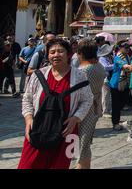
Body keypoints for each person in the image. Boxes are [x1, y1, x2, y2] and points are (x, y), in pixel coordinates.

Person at [18, 39, 93, 169]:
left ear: (69, 54)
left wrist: (75, 119)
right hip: (38, 128)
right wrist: (29, 119)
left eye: (60, 51)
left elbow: (88, 100)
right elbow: (27, 99)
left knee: (61, 165)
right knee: (27, 165)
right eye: (52, 52)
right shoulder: (38, 75)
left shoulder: (80, 76)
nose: (56, 55)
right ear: (48, 55)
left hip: (68, 131)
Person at [75, 39, 106, 169]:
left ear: (80, 53)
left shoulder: (82, 71)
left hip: (82, 110)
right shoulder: (99, 66)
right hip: (95, 107)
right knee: (85, 142)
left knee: (80, 144)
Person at [108, 41, 131, 131]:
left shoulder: (128, 57)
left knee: (123, 102)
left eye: (128, 47)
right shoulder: (117, 57)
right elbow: (125, 66)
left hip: (125, 84)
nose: (127, 49)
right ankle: (115, 123)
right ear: (120, 48)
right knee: (116, 105)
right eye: (125, 47)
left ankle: (115, 115)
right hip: (116, 84)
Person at [98, 44, 114, 117]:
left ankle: (107, 109)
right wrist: (114, 65)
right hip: (104, 78)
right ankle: (105, 111)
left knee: (107, 95)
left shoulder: (109, 57)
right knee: (105, 95)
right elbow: (105, 67)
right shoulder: (102, 58)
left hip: (108, 78)